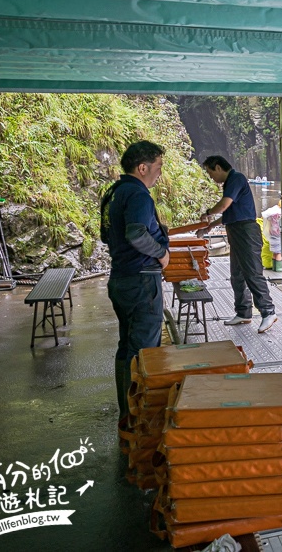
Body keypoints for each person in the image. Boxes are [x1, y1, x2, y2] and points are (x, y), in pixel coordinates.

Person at [100, 140, 170, 424]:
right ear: (142, 167)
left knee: (126, 348)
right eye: (158, 167)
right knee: (143, 350)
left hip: (121, 279)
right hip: (142, 282)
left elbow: (107, 236)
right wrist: (162, 253)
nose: (159, 174)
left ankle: (127, 411)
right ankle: (139, 418)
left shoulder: (113, 193)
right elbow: (137, 234)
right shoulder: (138, 195)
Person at [198, 156, 277, 333]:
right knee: (237, 275)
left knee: (252, 273)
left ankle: (268, 311)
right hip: (236, 231)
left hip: (246, 232)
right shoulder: (230, 184)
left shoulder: (236, 178)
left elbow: (224, 205)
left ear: (218, 167)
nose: (212, 178)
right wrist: (209, 227)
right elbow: (228, 214)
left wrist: (208, 213)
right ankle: (243, 312)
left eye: (211, 173)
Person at [261, 202, 282, 272]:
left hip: (272, 234)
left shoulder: (272, 213)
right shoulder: (279, 214)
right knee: (279, 252)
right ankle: (279, 268)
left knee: (274, 252)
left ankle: (274, 267)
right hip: (278, 235)